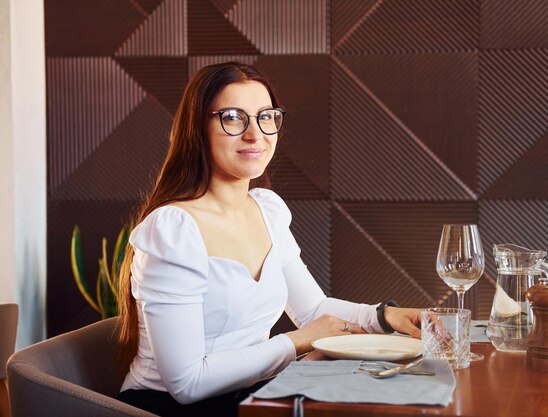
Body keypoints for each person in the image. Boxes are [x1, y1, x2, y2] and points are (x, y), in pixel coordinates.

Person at [116, 62, 422, 417]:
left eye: (266, 116)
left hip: (250, 394)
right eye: (232, 118)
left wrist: (385, 317)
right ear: (197, 129)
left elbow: (312, 311)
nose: (255, 135)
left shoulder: (267, 209)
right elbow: (187, 384)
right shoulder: (173, 231)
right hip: (168, 408)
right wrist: (296, 342)